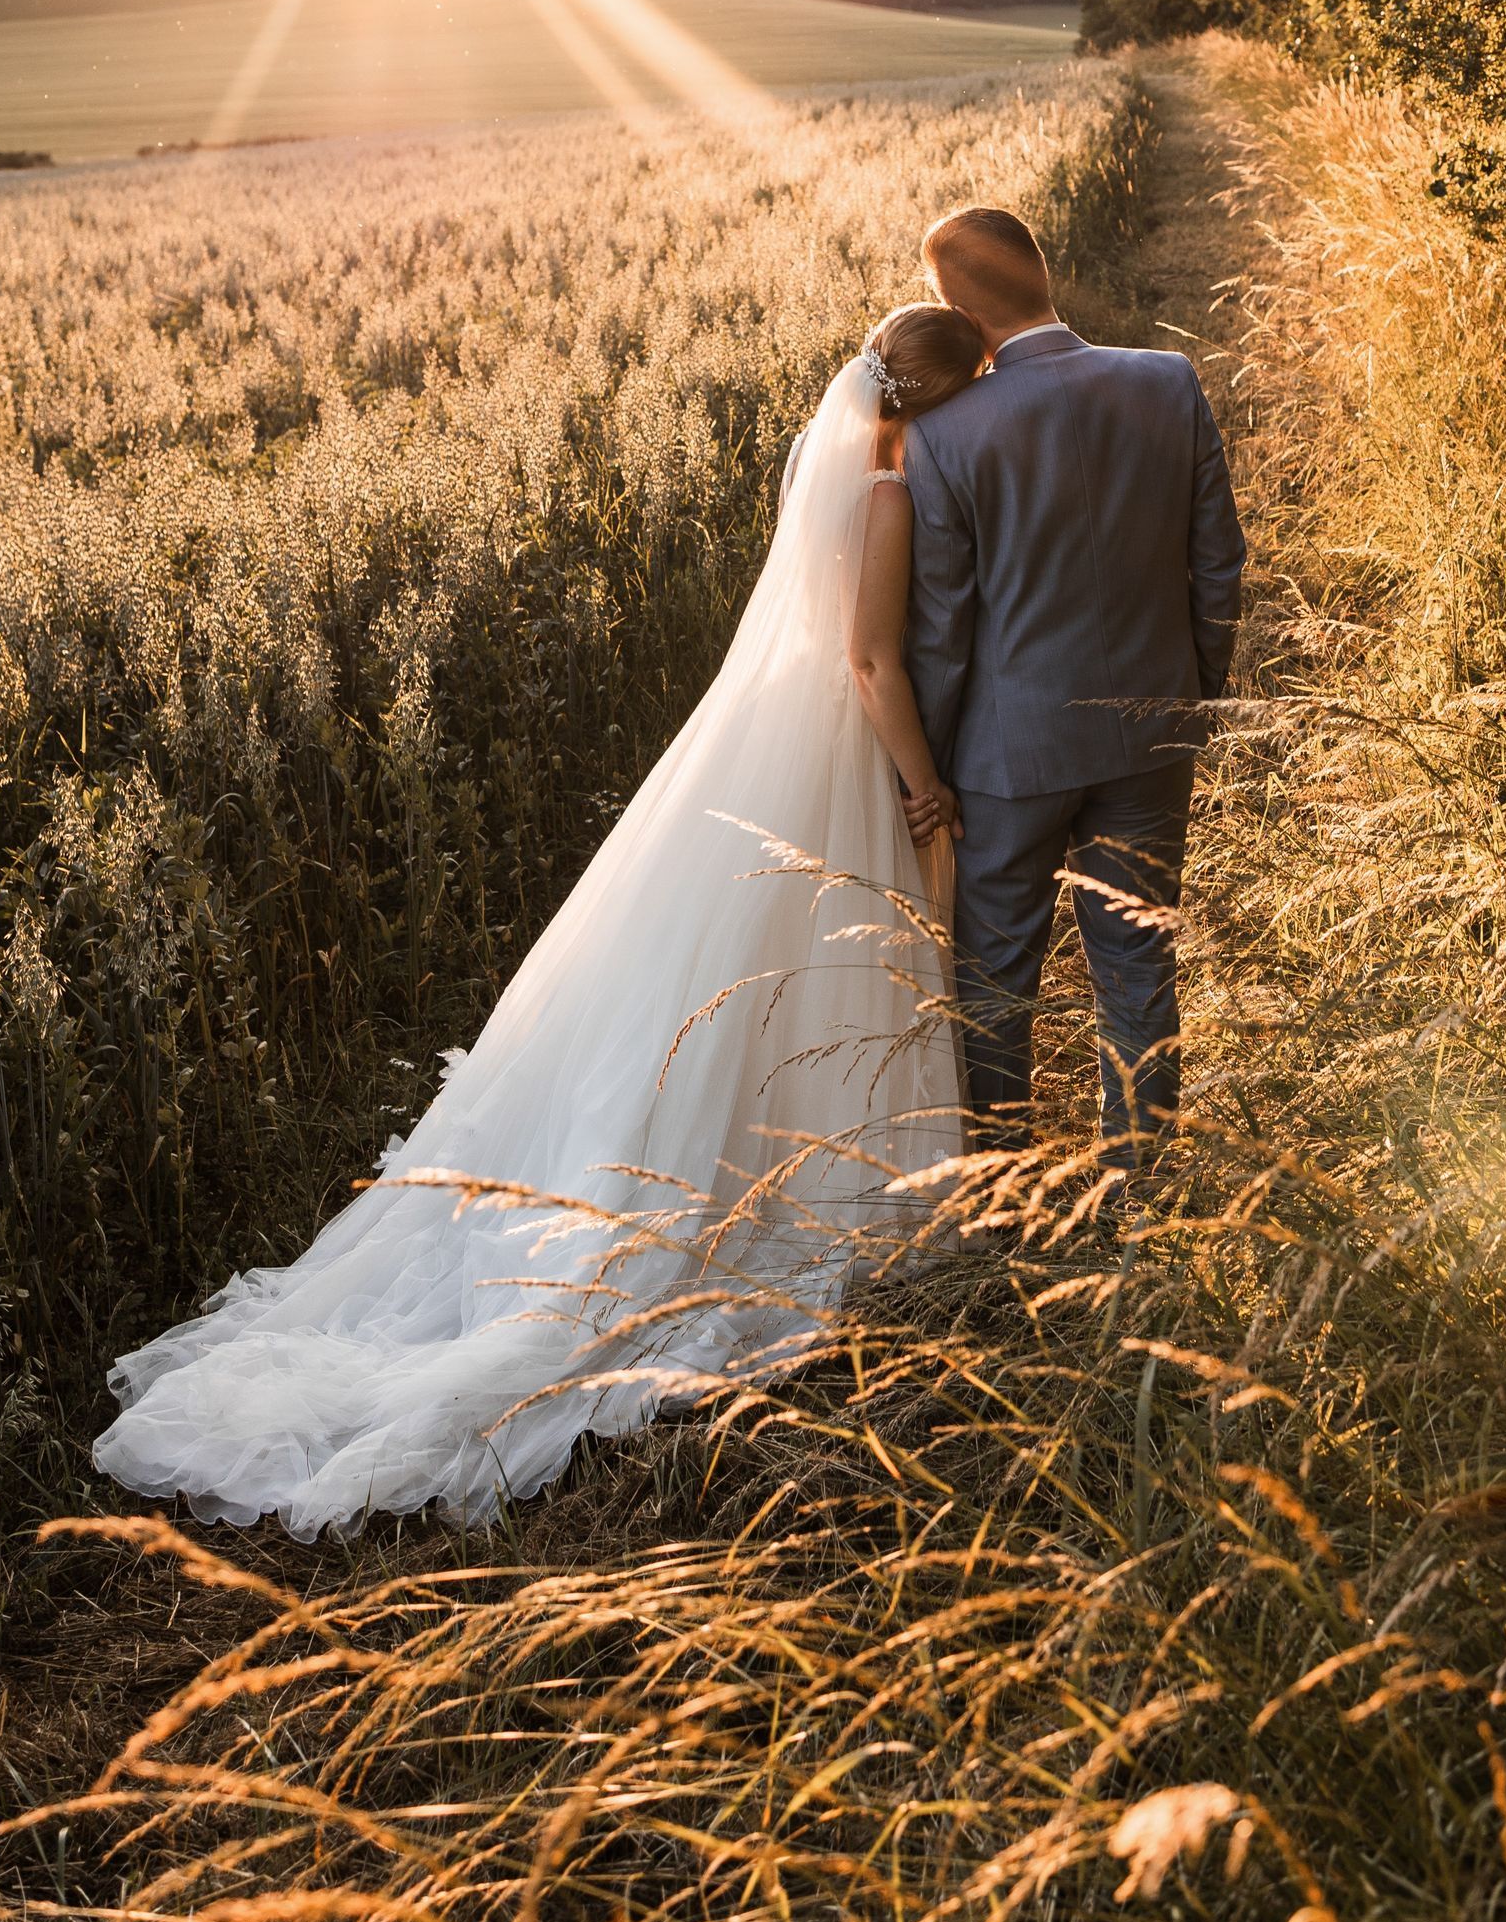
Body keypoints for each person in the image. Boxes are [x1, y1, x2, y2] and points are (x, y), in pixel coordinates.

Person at [93, 304, 983, 1539]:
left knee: (732, 971)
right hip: (836, 747)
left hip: (772, 736)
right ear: (933, 404)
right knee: (805, 966)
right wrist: (924, 785)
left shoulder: (832, 472)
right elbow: (872, 662)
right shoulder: (887, 497)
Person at [904, 206, 1245, 1169]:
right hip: (1150, 735)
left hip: (1006, 759)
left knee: (996, 984)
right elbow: (1219, 565)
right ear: (1042, 274)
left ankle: (1003, 1199)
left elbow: (941, 632)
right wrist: (1192, 701)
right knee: (1138, 964)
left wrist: (924, 769)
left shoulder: (948, 434)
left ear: (959, 311)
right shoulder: (1166, 381)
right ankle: (1141, 1194)